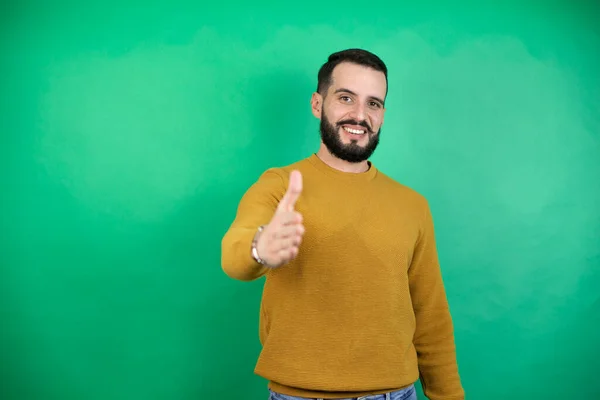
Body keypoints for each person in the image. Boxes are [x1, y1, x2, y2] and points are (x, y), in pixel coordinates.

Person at [221, 48, 464, 400]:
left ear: (382, 114)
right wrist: (260, 247)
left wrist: (449, 396)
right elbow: (234, 252)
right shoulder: (279, 185)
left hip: (396, 395)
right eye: (346, 98)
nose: (360, 115)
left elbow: (431, 316)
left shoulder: (413, 205)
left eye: (374, 104)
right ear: (318, 105)